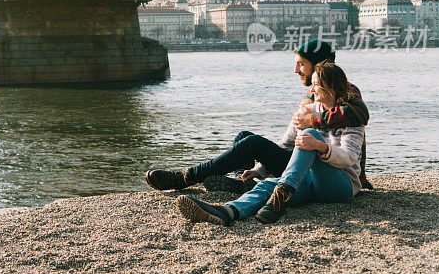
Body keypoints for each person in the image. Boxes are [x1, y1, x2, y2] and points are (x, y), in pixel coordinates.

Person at [145, 39, 371, 194]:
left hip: (323, 167)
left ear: (320, 65)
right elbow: (287, 141)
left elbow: (360, 114)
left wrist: (312, 120)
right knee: (245, 136)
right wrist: (259, 169)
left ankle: (187, 177)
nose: (296, 71)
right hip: (302, 156)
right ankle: (242, 179)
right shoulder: (310, 94)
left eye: (301, 64)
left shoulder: (344, 90)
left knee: (253, 143)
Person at [175, 62, 365, 225]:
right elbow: (285, 145)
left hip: (341, 185)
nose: (311, 89)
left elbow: (349, 159)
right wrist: (260, 170)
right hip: (309, 181)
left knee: (309, 135)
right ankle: (226, 212)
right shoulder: (305, 111)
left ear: (330, 87)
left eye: (316, 85)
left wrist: (321, 146)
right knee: (266, 186)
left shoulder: (350, 117)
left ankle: (282, 193)